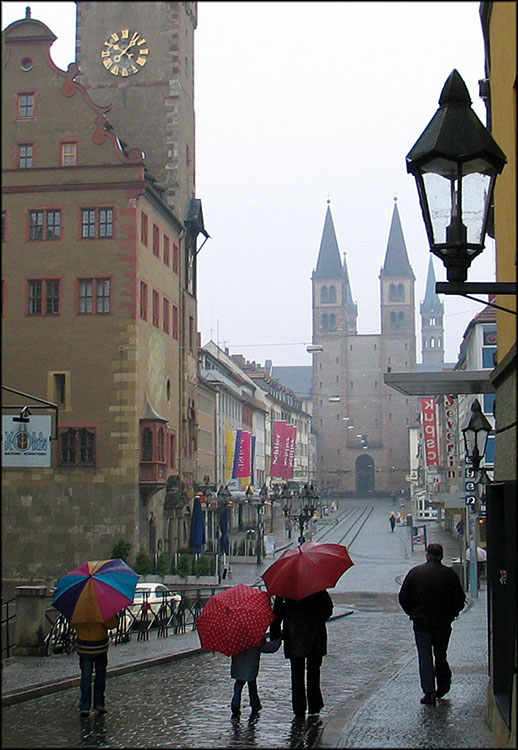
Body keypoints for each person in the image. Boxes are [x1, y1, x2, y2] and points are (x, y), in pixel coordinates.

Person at [398, 543, 466, 705]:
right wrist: (452, 613)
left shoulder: (415, 573)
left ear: (427, 555)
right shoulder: (449, 575)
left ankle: (428, 692)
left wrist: (412, 613)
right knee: (441, 654)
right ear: (441, 556)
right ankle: (442, 686)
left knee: (425, 655)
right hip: (443, 622)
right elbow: (460, 599)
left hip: (421, 622)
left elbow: (403, 597)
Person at [270, 589, 333, 720]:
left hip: (294, 637)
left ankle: (299, 707)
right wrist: (317, 619)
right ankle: (314, 705)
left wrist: (275, 634)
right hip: (315, 637)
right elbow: (328, 610)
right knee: (313, 672)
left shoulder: (286, 590)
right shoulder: (317, 588)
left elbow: (277, 614)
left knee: (297, 673)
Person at [75, 614, 118, 716]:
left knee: (85, 677)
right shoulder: (102, 607)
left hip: (84, 647)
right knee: (100, 676)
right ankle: (99, 703)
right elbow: (112, 624)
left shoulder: (79, 608)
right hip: (100, 646)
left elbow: (74, 624)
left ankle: (85, 706)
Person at [230, 636, 281, 716]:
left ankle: (235, 703)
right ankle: (255, 704)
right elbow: (269, 648)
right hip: (251, 666)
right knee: (252, 685)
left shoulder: (234, 637)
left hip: (238, 666)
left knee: (238, 685)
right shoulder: (256, 637)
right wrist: (278, 642)